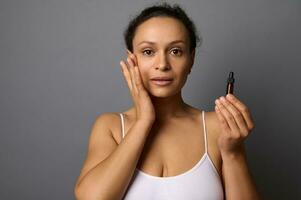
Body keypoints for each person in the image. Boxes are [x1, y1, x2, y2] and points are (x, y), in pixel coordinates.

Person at [74, 3, 261, 200]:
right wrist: (143, 121)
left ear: (191, 59)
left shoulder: (218, 127)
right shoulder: (110, 127)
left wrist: (234, 153)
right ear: (131, 59)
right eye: (148, 51)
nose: (162, 65)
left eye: (175, 51)